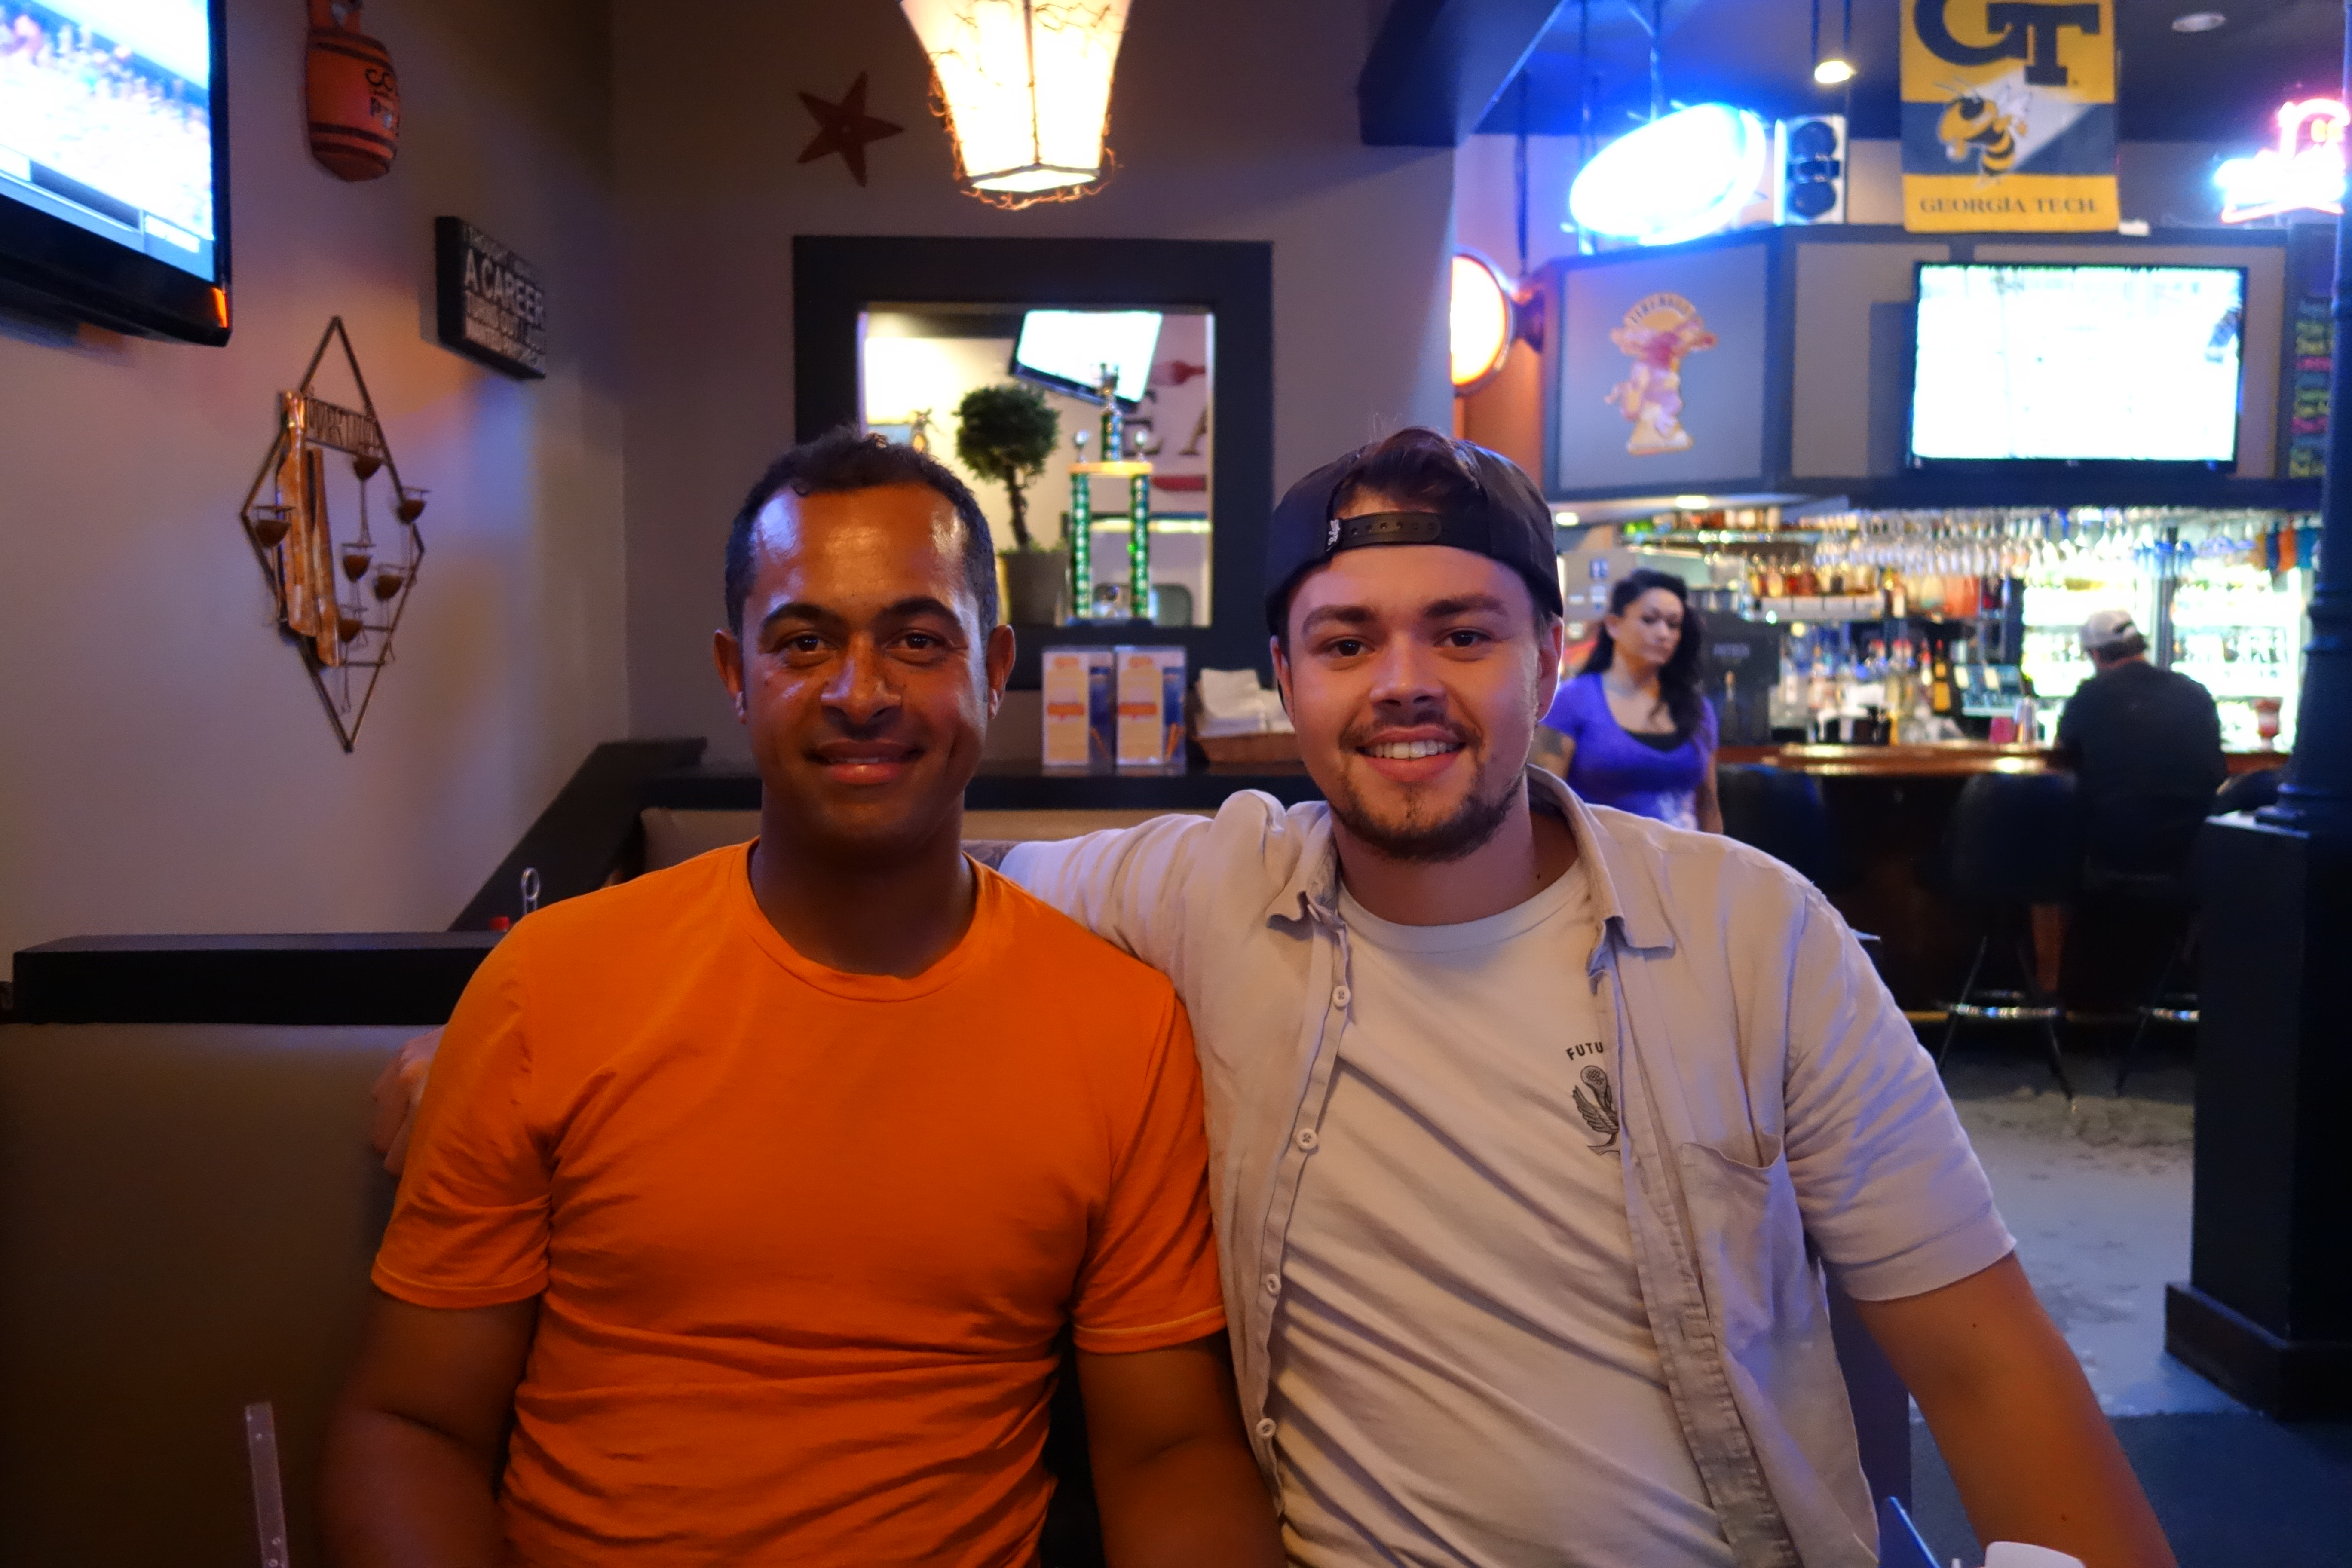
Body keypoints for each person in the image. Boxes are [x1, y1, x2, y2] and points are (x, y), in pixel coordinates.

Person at [379, 431, 2174, 1568]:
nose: (1406, 684)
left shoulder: (1754, 936)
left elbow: (1988, 1363)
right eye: (1347, 639)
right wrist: (494, 1025)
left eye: (1463, 630)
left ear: (1549, 655)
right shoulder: (1200, 892)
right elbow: (883, 890)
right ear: (1283, 682)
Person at [324, 430, 1282, 1568]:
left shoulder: (1121, 1028)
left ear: (994, 668)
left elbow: (1168, 1451)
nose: (860, 692)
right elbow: (411, 1426)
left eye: (918, 640)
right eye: (804, 642)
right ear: (737, 675)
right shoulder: (550, 983)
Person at [1532, 567, 1723, 831]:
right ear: (1613, 625)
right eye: (1649, 620)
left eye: (1673, 624)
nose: (1663, 634)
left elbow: (1709, 807)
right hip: (1599, 853)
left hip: (1685, 854)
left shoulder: (1697, 708)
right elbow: (1541, 808)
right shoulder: (1572, 701)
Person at [2052, 609, 2227, 879]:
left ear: (2096, 655)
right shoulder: (2194, 692)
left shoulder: (2090, 696)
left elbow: (2059, 755)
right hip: (2194, 852)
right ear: (2140, 648)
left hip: (2116, 852)